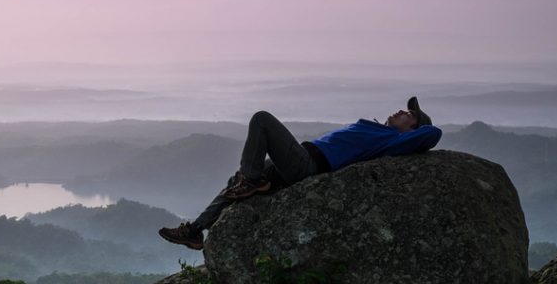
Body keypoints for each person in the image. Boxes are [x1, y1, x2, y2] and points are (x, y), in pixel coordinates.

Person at [158, 96, 442, 250]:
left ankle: (253, 180)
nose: (400, 111)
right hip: (299, 160)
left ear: (412, 129)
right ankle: (196, 231)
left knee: (262, 120)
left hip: (308, 164)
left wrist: (417, 126)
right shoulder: (381, 130)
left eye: (409, 114)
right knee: (236, 181)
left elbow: (433, 133)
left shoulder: (391, 139)